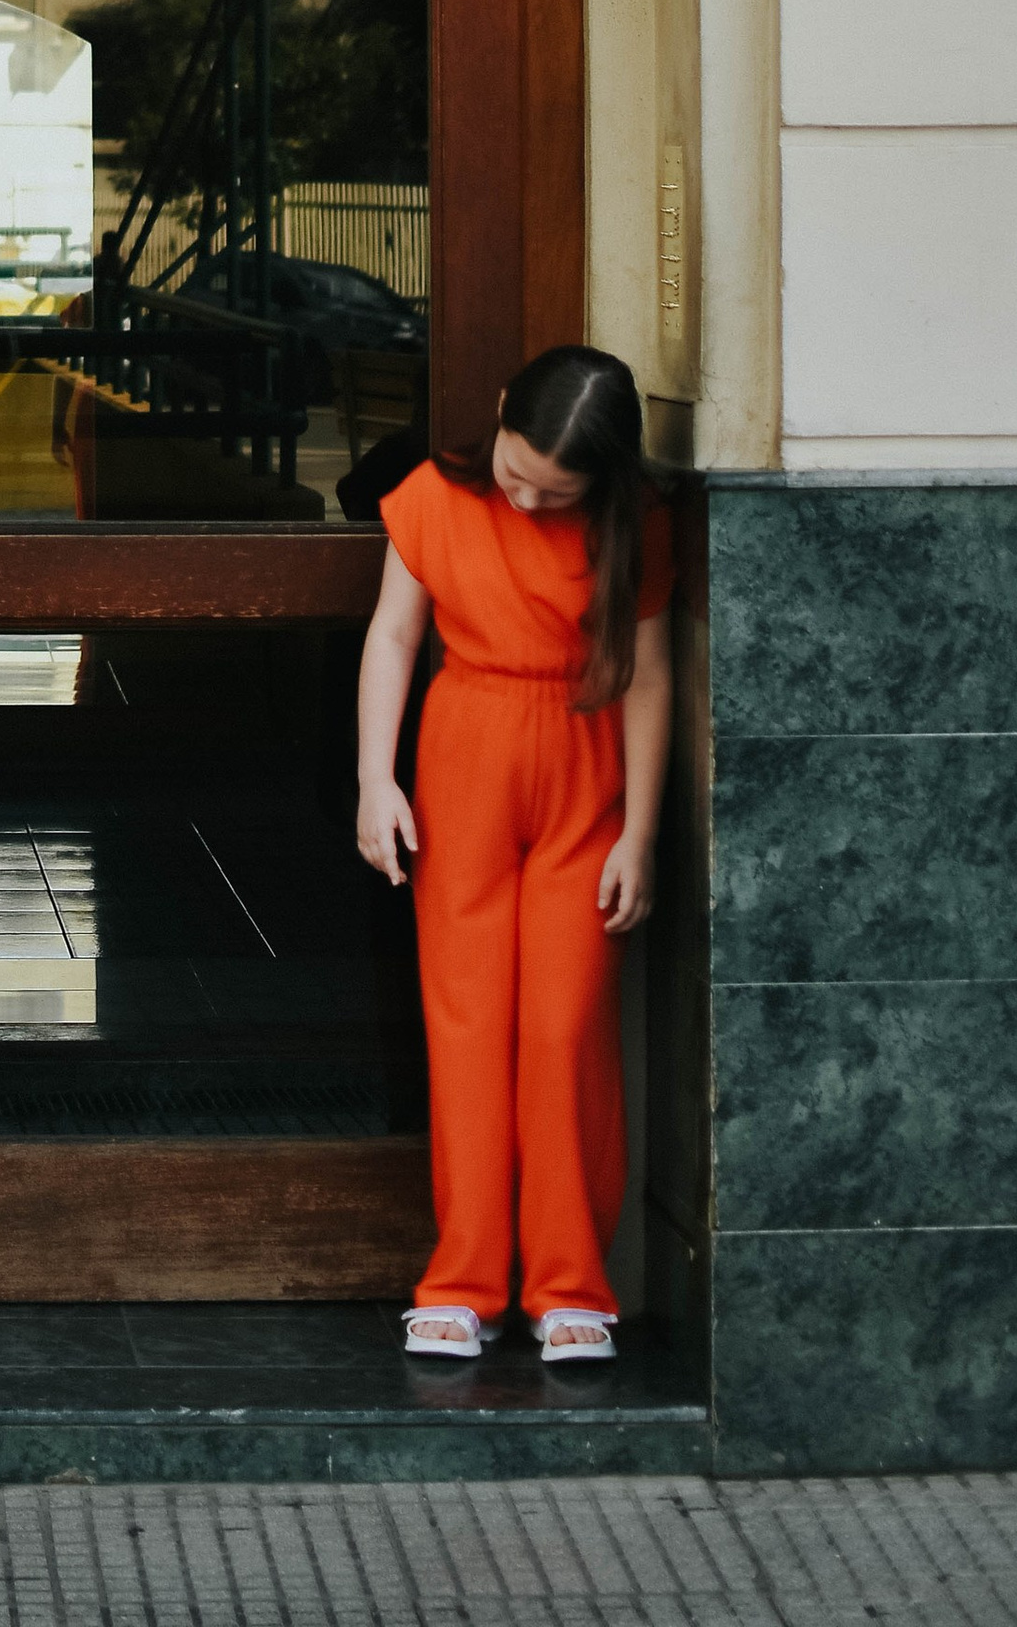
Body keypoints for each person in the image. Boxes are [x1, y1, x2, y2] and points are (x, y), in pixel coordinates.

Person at [354, 344, 673, 1367]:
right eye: (517, 473)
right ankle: (461, 1282)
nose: (530, 502)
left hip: (585, 764)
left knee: (564, 1025)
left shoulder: (636, 524)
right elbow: (394, 637)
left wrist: (641, 832)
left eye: (558, 491)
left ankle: (571, 1284)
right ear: (497, 413)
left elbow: (650, 677)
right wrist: (375, 780)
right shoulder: (430, 498)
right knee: (466, 1022)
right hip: (464, 755)